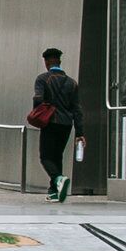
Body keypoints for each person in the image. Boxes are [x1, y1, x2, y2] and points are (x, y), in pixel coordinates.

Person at [29, 45, 84, 202]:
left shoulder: (43, 79)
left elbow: (38, 98)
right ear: (59, 62)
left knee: (46, 156)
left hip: (50, 122)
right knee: (57, 156)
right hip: (67, 124)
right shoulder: (72, 83)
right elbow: (77, 109)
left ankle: (58, 179)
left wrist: (37, 112)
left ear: (46, 62)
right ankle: (54, 192)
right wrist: (80, 133)